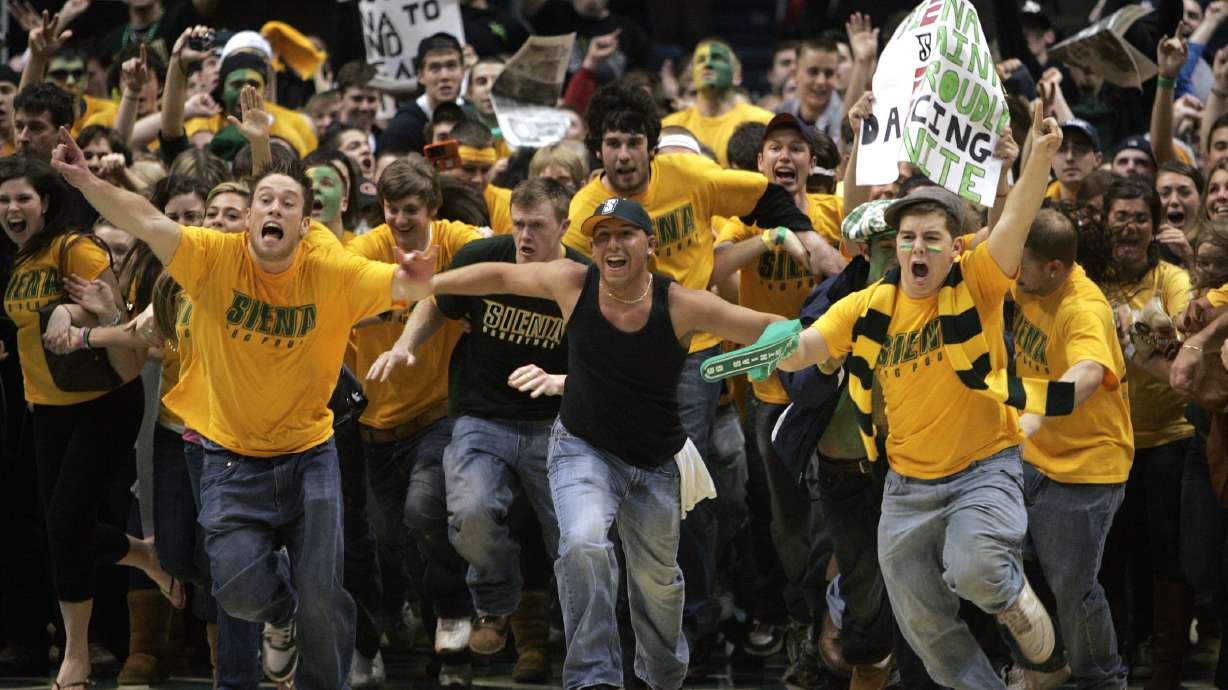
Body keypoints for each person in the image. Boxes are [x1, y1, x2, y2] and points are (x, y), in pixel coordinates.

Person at [49, 126, 437, 690]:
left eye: (289, 202)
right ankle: (280, 618)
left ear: (305, 225)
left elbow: (409, 287)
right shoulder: (212, 257)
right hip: (229, 458)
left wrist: (416, 280)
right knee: (233, 588)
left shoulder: (331, 270)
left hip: (310, 456)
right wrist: (83, 179)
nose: (274, 208)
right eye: (265, 200)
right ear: (250, 215)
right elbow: (144, 218)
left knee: (323, 595)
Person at [420, 195, 787, 690]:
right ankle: (593, 678)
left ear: (650, 245)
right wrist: (426, 282)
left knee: (657, 584)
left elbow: (769, 330)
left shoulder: (680, 304)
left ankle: (661, 676)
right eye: (602, 237)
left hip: (655, 461)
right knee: (583, 542)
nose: (612, 245)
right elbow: (500, 277)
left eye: (625, 234)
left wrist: (803, 346)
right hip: (582, 449)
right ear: (592, 248)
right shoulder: (572, 282)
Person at [777, 104, 1066, 690]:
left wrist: (1037, 155)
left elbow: (1014, 220)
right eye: (907, 238)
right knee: (923, 625)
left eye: (931, 238)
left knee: (977, 569)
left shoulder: (980, 279)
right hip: (905, 488)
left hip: (983, 470)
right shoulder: (868, 305)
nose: (916, 249)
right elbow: (805, 348)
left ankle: (1011, 595)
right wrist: (769, 347)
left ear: (954, 246)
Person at [563, 81, 841, 660]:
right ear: (598, 150)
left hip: (692, 352)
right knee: (638, 487)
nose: (623, 155)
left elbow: (765, 195)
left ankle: (693, 621)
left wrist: (808, 236)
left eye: (633, 142)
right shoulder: (586, 210)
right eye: (612, 143)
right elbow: (570, 289)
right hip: (619, 362)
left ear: (651, 146)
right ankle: (646, 622)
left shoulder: (688, 179)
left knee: (676, 483)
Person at [369, 177, 585, 682]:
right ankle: (495, 602)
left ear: (565, 228)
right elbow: (435, 301)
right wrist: (407, 344)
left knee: (577, 540)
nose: (525, 237)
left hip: (554, 423)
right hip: (480, 415)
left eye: (538, 227)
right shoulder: (486, 257)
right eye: (519, 224)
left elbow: (607, 358)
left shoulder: (584, 275)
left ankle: (590, 645)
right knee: (466, 511)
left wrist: (564, 381)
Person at [0, 155, 185, 690]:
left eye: (24, 198)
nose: (13, 208)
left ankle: (75, 654)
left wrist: (68, 313)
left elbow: (111, 312)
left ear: (47, 203)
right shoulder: (14, 260)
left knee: (63, 524)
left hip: (103, 399)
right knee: (60, 528)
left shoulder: (74, 247)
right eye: (5, 200)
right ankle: (143, 553)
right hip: (47, 407)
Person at [345, 156, 483, 689]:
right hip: (373, 425)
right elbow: (342, 288)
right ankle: (438, 641)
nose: (399, 221)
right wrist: (415, 291)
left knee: (424, 510)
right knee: (392, 541)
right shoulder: (366, 249)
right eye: (390, 209)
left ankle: (454, 612)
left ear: (431, 209)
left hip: (437, 415)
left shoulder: (456, 238)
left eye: (410, 210)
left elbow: (493, 249)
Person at [1009, 209, 1133, 688]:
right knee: (997, 563)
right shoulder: (1030, 280)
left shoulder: (1084, 308)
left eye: (1023, 266)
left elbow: (1086, 372)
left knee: (1074, 590)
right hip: (1032, 458)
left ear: (1055, 268)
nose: (1014, 275)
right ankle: (1047, 666)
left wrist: (1036, 416)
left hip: (1086, 471)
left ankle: (1102, 679)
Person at [661, 40, 773, 168]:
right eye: (700, 60)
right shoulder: (670, 126)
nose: (707, 64)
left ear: (737, 76)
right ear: (693, 76)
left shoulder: (763, 122)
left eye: (718, 58)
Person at [379, 33, 465, 157]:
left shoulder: (472, 115)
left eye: (451, 66)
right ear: (420, 76)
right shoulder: (401, 130)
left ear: (463, 71)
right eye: (435, 68)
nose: (444, 76)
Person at [1046, 119, 1103, 203]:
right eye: (1061, 149)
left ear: (1097, 159)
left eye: (1080, 149)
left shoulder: (1115, 206)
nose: (1070, 158)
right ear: (1051, 160)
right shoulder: (1035, 208)